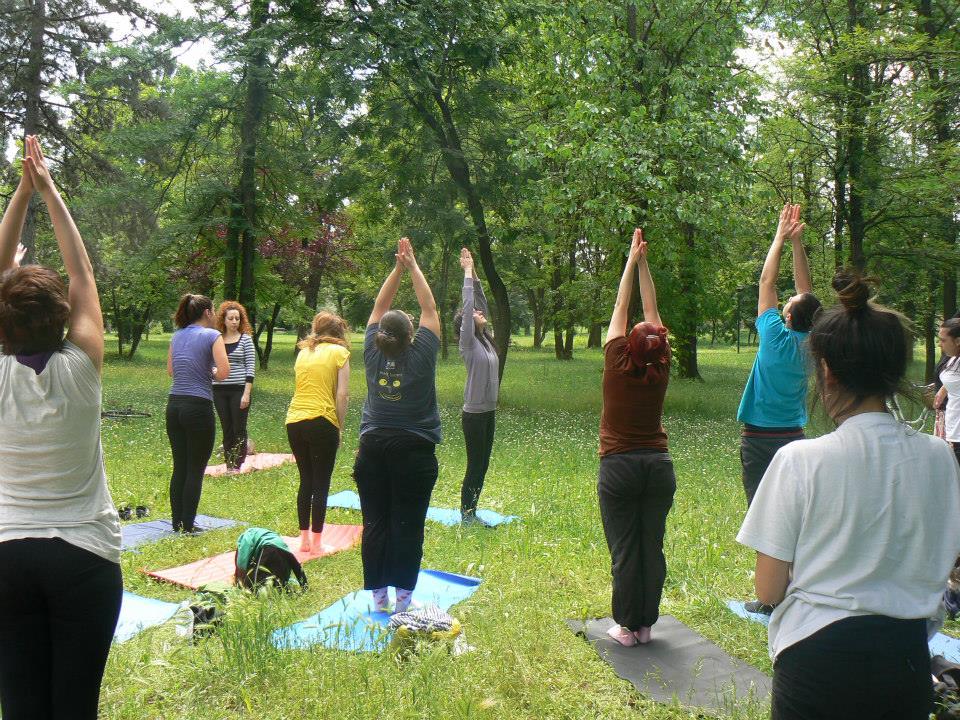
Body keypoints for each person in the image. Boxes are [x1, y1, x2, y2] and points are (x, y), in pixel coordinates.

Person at [737, 273, 960, 719]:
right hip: (906, 659)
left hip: (816, 658)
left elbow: (768, 588)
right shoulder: (939, 457)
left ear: (827, 371)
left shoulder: (799, 460)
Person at [0, 136, 122, 719]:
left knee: (21, 708)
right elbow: (82, 273)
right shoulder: (82, 367)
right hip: (84, 557)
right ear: (64, 318)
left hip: (7, 556)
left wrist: (21, 194)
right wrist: (47, 190)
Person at [736, 203, 821, 614]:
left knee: (764, 516)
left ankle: (771, 597)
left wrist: (780, 237)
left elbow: (766, 280)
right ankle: (798, 588)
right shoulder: (814, 345)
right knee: (794, 515)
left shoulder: (773, 335)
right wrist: (798, 243)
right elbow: (808, 296)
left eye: (787, 303)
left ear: (786, 316)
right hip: (795, 439)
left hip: (759, 441)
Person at [354, 237, 441, 613]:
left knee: (375, 523)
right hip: (413, 452)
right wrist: (413, 266)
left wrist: (396, 268)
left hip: (372, 449)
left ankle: (378, 599)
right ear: (411, 336)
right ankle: (403, 600)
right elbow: (429, 307)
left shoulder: (370, 350)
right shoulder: (422, 354)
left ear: (381, 335)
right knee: (408, 524)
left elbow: (379, 306)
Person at [597, 228, 675, 647]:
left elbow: (622, 306)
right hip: (658, 467)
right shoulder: (660, 365)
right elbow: (650, 310)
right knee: (651, 547)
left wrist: (631, 260)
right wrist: (645, 264)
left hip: (620, 467)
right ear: (659, 345)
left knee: (626, 549)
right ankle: (646, 625)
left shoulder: (615, 361)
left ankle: (627, 627)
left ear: (628, 344)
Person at [285, 311, 351, 552]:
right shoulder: (340, 353)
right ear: (339, 331)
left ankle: (303, 540)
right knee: (321, 482)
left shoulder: (303, 352)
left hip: (294, 420)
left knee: (306, 480)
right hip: (322, 420)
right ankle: (317, 543)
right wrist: (339, 426)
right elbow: (342, 395)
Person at [167, 293, 229, 532]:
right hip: (198, 407)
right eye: (214, 310)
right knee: (195, 468)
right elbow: (223, 372)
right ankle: (188, 525)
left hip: (174, 405)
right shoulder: (212, 335)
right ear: (207, 313)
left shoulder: (177, 336)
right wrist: (210, 370)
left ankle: (177, 523)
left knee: (180, 466)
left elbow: (171, 371)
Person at [453, 247, 499, 525]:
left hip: (489, 412)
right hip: (474, 415)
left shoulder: (486, 339)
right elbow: (470, 304)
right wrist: (467, 272)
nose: (480, 312)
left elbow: (480, 301)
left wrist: (476, 273)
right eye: (474, 313)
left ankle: (473, 511)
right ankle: (466, 514)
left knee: (483, 465)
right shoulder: (468, 344)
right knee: (474, 465)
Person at [213, 301, 256, 471]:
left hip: (238, 390)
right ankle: (229, 463)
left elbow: (250, 368)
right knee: (227, 427)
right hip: (218, 390)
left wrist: (246, 394)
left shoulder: (246, 340)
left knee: (239, 427)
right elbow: (210, 362)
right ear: (223, 320)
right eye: (230, 318)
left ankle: (237, 464)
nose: (234, 321)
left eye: (237, 318)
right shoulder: (216, 339)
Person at [936, 318, 960, 459]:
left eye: (943, 340)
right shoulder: (953, 359)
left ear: (958, 341)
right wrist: (944, 389)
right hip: (953, 433)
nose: (939, 344)